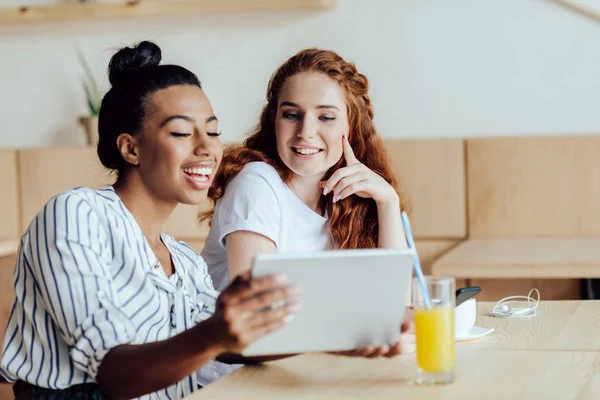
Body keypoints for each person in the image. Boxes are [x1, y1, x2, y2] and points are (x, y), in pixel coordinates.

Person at [0, 41, 302, 400]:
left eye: (213, 131)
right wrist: (216, 333)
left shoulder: (185, 263)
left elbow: (231, 342)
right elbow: (114, 377)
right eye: (181, 132)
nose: (207, 148)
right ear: (131, 148)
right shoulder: (75, 215)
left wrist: (343, 337)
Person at [201, 48, 414, 358]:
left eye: (326, 117)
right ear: (274, 120)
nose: (306, 132)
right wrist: (346, 340)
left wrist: (388, 203)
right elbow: (256, 322)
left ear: (350, 127)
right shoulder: (256, 183)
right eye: (291, 114)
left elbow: (393, 309)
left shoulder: (347, 199)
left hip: (307, 372)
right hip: (237, 380)